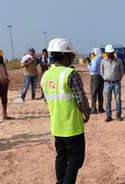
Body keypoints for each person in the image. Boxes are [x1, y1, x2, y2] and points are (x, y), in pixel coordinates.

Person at [41, 38, 90, 184]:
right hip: (72, 127)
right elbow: (81, 98)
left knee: (61, 156)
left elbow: (46, 99)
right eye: (71, 55)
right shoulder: (70, 74)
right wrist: (86, 112)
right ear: (65, 55)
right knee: (76, 159)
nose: (72, 59)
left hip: (57, 125)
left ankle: (59, 181)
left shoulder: (46, 75)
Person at [100, 45, 123, 122]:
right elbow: (101, 72)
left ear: (113, 52)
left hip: (117, 83)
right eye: (108, 53)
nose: (110, 54)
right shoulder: (103, 61)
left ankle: (118, 115)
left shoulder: (119, 61)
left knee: (118, 100)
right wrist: (106, 78)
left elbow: (121, 72)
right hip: (107, 83)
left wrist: (118, 79)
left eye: (111, 52)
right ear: (106, 53)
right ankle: (108, 116)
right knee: (107, 100)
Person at [0, 48, 14, 123]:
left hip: (4, 84)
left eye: (0, 55)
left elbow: (5, 72)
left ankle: (4, 115)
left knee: (4, 99)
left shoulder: (2, 63)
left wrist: (7, 79)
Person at [89, 48, 105, 114]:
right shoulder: (102, 59)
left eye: (93, 53)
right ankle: (100, 108)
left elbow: (93, 69)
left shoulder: (94, 60)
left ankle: (93, 109)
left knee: (94, 94)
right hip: (101, 76)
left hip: (95, 77)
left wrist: (88, 66)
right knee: (100, 94)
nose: (93, 54)